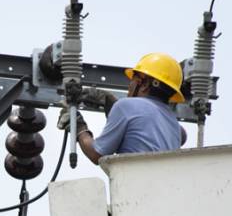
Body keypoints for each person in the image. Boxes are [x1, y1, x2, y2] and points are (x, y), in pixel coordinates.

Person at [58, 52, 186, 164]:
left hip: (134, 185)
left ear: (145, 84)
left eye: (133, 79)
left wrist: (79, 127)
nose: (130, 85)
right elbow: (139, 125)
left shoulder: (126, 107)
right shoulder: (175, 125)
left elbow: (96, 154)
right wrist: (110, 103)